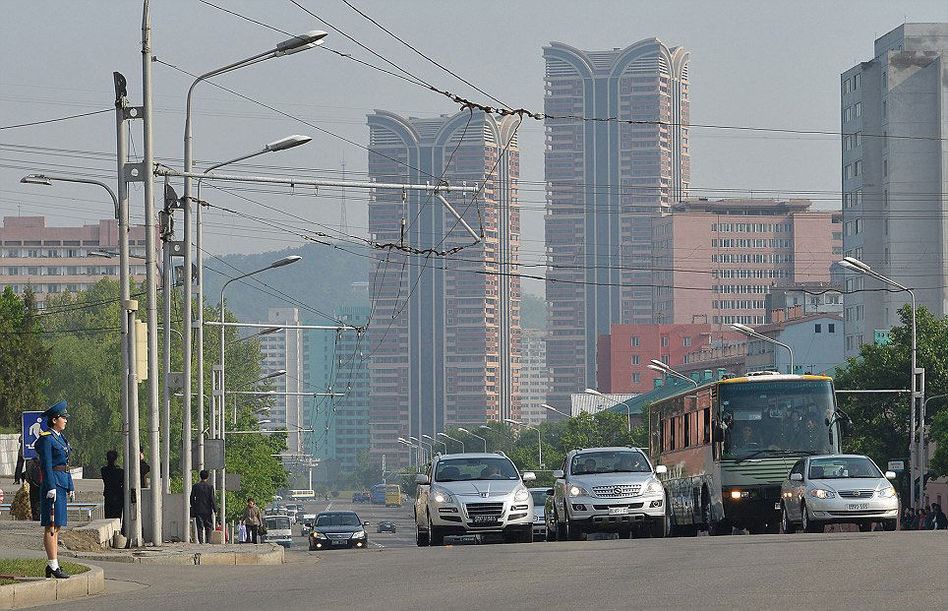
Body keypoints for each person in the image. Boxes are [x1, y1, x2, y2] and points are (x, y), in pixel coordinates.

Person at [35, 400, 74, 579]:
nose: (66, 420)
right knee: (51, 526)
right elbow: (46, 465)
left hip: (62, 482)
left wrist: (71, 486)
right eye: (63, 417)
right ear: (54, 420)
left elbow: (65, 464)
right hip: (53, 485)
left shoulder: (60, 438)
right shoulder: (46, 439)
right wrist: (50, 486)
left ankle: (54, 562)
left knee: (57, 525)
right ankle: (52, 565)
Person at [190, 470, 217, 544]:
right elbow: (212, 499)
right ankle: (208, 541)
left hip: (198, 510)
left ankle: (201, 541)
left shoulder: (195, 486)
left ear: (200, 476)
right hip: (208, 510)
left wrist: (194, 506)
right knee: (208, 526)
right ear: (207, 477)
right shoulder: (210, 487)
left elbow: (192, 498)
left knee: (200, 526)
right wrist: (215, 509)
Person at [100, 450, 124, 521]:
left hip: (108, 495)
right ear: (116, 459)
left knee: (108, 517)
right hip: (118, 496)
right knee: (117, 518)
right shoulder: (120, 472)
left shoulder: (104, 470)